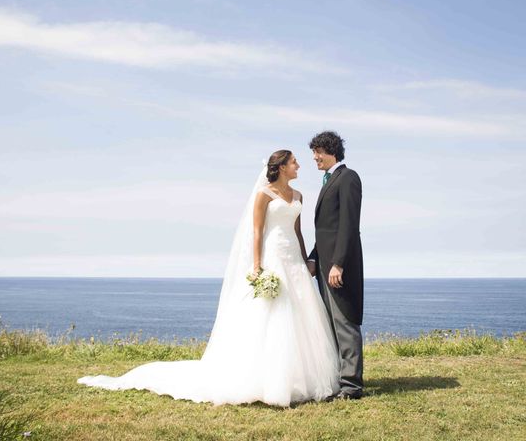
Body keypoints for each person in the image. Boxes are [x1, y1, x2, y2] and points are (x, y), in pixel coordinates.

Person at [77, 150, 340, 407]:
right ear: (282, 167)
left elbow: (297, 231)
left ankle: (300, 377)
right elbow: (257, 232)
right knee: (272, 314)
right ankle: (265, 379)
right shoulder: (264, 194)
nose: (299, 166)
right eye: (294, 162)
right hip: (272, 256)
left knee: (300, 314)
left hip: (293, 257)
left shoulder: (298, 195)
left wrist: (306, 259)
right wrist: (258, 266)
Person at [306, 131, 364, 400]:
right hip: (326, 265)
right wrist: (314, 257)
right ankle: (340, 380)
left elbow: (348, 226)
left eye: (318, 152)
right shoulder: (328, 181)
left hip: (340, 266)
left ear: (331, 151)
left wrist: (338, 263)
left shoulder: (348, 177)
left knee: (345, 321)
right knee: (332, 323)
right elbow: (326, 230)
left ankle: (352, 385)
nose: (315, 158)